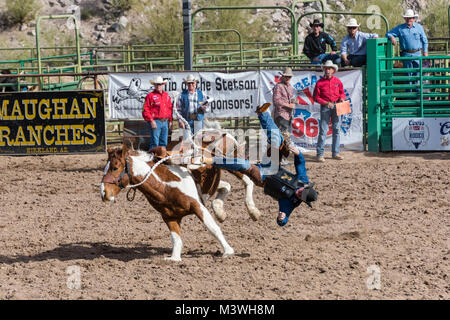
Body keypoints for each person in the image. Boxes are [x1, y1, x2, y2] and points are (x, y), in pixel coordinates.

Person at [175, 103, 318, 227]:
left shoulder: (290, 202)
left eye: (300, 196)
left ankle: (210, 160)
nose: (299, 193)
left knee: (242, 164)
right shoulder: (302, 180)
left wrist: (282, 219)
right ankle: (262, 113)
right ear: (305, 187)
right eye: (302, 191)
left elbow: (284, 217)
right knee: (277, 139)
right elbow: (301, 165)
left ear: (302, 199)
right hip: (273, 166)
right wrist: (298, 154)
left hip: (262, 178)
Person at [386, 9, 428, 92]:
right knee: (408, 76)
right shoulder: (400, 28)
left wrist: (425, 52)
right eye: (407, 18)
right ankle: (410, 98)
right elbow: (388, 33)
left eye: (410, 18)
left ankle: (418, 97)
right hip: (406, 55)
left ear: (413, 18)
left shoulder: (419, 27)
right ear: (405, 19)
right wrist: (391, 37)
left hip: (417, 54)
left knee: (418, 75)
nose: (409, 19)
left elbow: (424, 40)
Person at [313, 60, 346, 162]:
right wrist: (326, 103)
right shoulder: (320, 83)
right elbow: (315, 97)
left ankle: (335, 153)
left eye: (329, 68)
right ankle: (320, 154)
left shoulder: (337, 81)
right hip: (326, 106)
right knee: (323, 130)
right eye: (326, 68)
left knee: (336, 130)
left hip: (337, 105)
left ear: (333, 70)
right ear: (324, 70)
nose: (328, 70)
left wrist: (342, 98)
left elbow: (342, 93)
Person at [142, 76, 173, 150]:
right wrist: (151, 121)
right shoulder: (150, 96)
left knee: (164, 142)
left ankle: (161, 159)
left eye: (160, 84)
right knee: (155, 143)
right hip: (156, 121)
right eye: (156, 84)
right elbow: (145, 110)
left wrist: (170, 120)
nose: (158, 86)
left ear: (163, 85)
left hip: (165, 121)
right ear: (154, 85)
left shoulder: (166, 95)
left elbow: (169, 109)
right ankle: (153, 159)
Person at [272, 67, 296, 134]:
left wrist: (294, 102)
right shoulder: (278, 86)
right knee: (283, 135)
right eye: (286, 76)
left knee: (285, 135)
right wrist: (289, 105)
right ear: (283, 76)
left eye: (289, 77)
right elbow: (276, 101)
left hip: (288, 115)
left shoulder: (290, 87)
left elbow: (291, 98)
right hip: (281, 114)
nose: (288, 78)